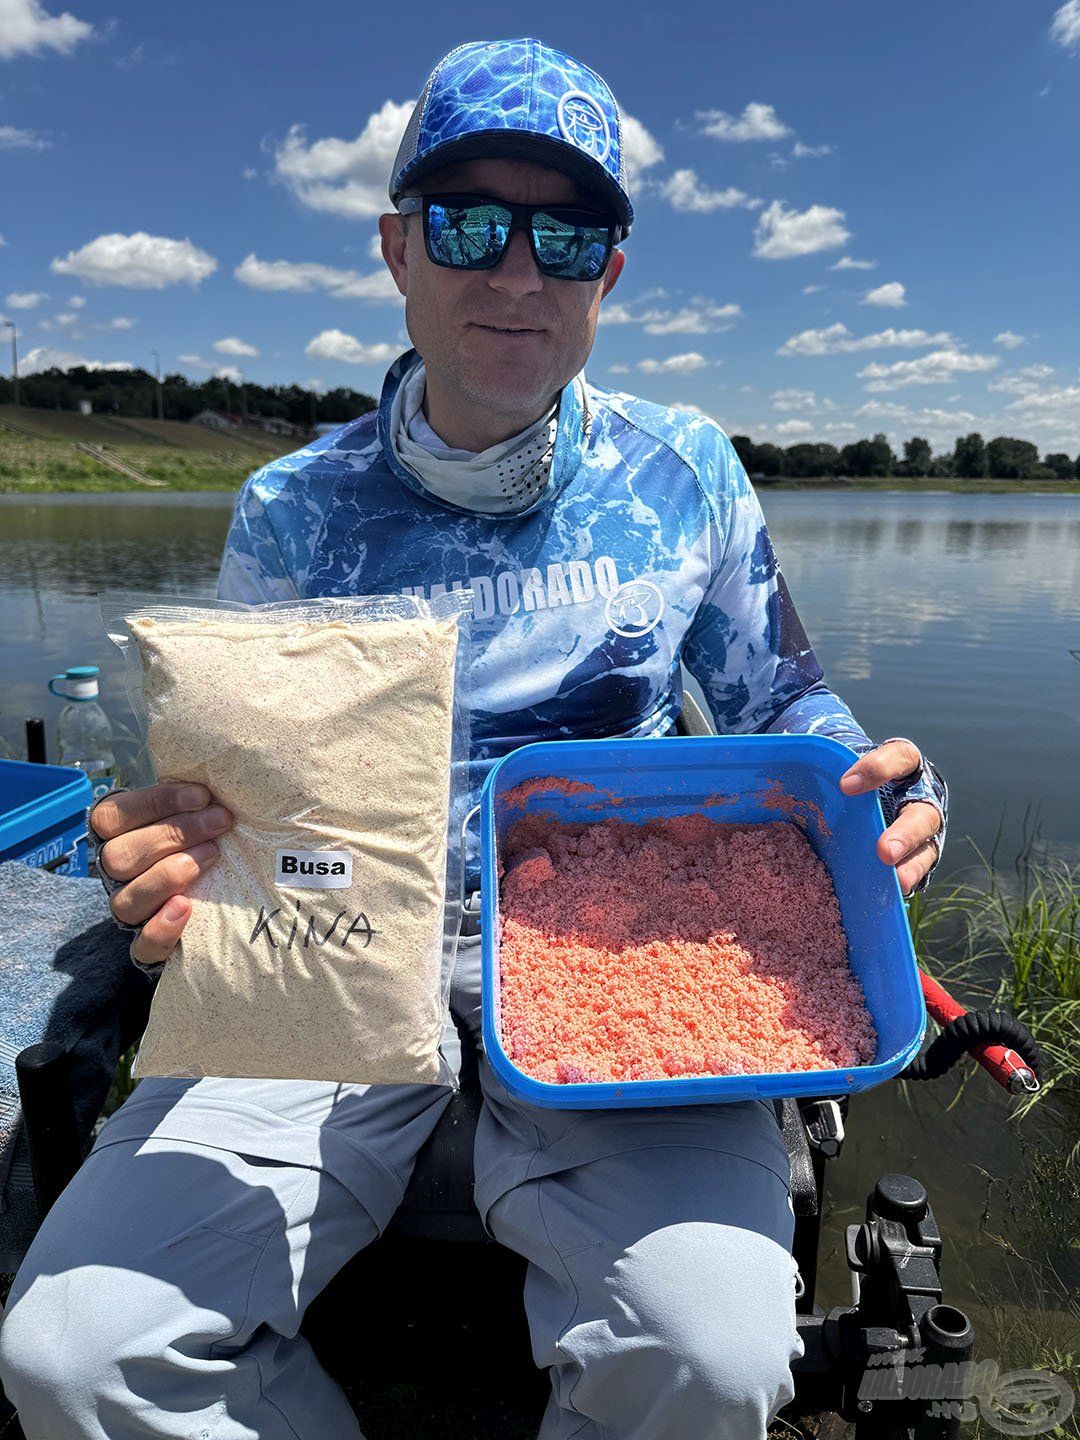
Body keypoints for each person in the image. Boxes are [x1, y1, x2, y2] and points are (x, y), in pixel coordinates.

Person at [0, 37, 948, 1440]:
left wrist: (889, 784)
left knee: (714, 1356)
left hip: (621, 964)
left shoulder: (680, 469)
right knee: (79, 1347)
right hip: (339, 959)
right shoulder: (290, 509)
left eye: (567, 235)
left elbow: (785, 709)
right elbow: (229, 795)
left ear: (609, 274)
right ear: (398, 248)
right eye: (468, 225)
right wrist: (165, 854)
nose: (517, 274)